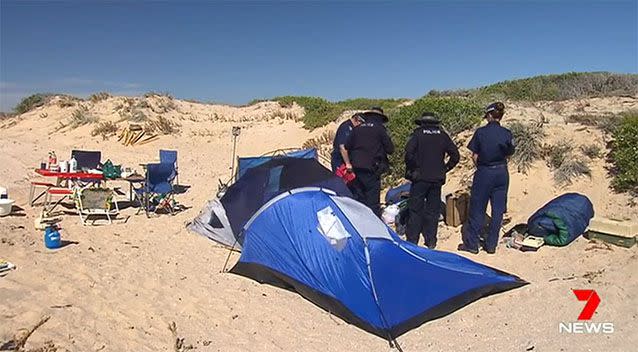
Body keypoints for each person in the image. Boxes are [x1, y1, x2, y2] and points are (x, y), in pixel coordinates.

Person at [459, 102, 515, 254]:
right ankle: (491, 245)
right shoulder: (507, 133)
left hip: (485, 171)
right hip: (502, 172)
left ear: (490, 115)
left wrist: (482, 166)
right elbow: (509, 153)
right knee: (498, 210)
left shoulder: (481, 132)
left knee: (477, 208)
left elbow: (474, 155)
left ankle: (472, 244)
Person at [404, 112, 460, 248]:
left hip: (420, 178)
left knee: (415, 209)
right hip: (436, 178)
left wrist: (414, 168)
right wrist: (446, 168)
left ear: (422, 123)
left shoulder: (417, 134)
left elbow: (408, 154)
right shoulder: (442, 135)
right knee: (433, 211)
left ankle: (412, 240)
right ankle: (431, 241)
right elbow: (455, 155)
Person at [344, 107, 394, 216]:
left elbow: (347, 146)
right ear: (380, 119)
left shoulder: (357, 128)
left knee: (359, 197)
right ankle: (373, 224)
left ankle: (359, 222)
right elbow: (390, 149)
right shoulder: (380, 129)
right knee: (372, 200)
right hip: (372, 168)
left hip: (356, 167)